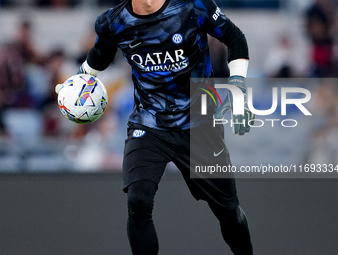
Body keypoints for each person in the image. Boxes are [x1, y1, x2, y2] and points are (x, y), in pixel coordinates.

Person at [56, 0, 254, 254]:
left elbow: (235, 38)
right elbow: (100, 55)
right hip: (149, 124)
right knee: (138, 200)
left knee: (228, 212)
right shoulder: (112, 22)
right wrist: (76, 83)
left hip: (200, 125)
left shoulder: (192, 7)